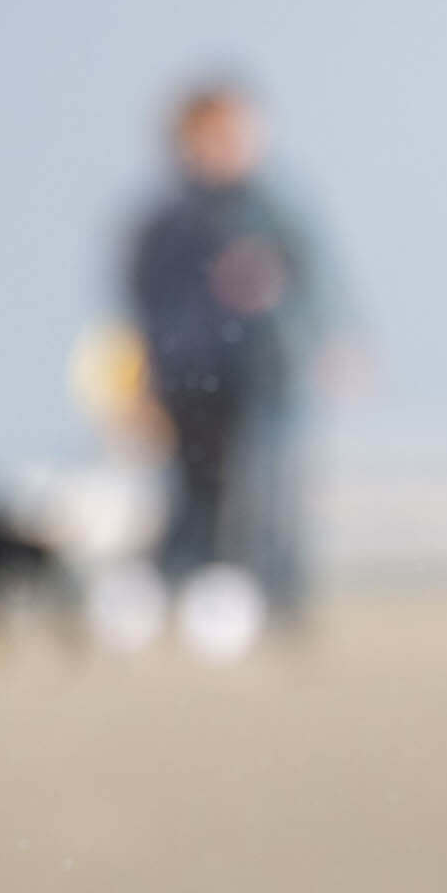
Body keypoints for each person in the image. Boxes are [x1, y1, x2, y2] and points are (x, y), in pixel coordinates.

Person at [121, 76, 346, 632]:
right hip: (190, 377)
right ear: (186, 142)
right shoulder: (165, 221)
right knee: (193, 492)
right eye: (216, 136)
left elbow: (317, 279)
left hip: (269, 370)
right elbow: (144, 307)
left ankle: (278, 602)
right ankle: (182, 593)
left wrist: (333, 339)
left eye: (240, 133)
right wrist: (142, 382)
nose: (231, 146)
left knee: (274, 490)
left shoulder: (272, 209)